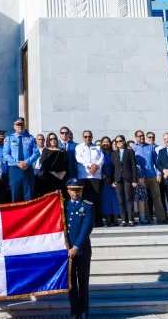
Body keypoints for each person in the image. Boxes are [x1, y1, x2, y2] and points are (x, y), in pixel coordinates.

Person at [65, 178, 94, 319]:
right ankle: (74, 311)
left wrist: (76, 247)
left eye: (77, 190)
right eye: (72, 190)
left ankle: (83, 311)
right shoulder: (63, 205)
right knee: (71, 284)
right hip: (67, 252)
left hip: (81, 250)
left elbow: (86, 229)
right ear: (68, 191)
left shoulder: (88, 206)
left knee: (83, 283)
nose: (75, 193)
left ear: (81, 191)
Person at [3, 119, 39, 202]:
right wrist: (16, 163)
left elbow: (36, 153)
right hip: (14, 169)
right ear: (14, 126)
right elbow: (5, 154)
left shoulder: (30, 138)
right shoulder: (9, 138)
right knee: (15, 193)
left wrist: (27, 162)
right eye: (18, 124)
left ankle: (29, 214)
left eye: (21, 124)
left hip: (27, 169)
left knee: (28, 193)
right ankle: (16, 214)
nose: (20, 126)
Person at [133, 131, 165, 224]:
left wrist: (159, 173)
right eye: (139, 136)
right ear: (136, 137)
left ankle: (161, 218)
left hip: (152, 176)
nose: (141, 137)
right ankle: (147, 218)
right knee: (144, 199)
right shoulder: (133, 148)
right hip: (141, 178)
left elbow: (157, 162)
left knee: (157, 197)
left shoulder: (150, 147)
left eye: (142, 135)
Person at [75, 130, 104, 227]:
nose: (88, 138)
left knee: (96, 199)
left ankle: (98, 221)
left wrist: (96, 166)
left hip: (96, 176)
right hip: (84, 176)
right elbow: (79, 158)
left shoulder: (97, 147)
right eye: (86, 136)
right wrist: (91, 165)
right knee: (85, 200)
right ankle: (86, 222)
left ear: (92, 137)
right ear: (83, 137)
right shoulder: (79, 147)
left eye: (89, 136)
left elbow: (102, 159)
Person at [111, 135, 138, 227]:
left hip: (128, 178)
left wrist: (135, 180)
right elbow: (113, 168)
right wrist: (113, 180)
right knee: (120, 200)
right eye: (116, 141)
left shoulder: (130, 152)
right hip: (118, 179)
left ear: (124, 141)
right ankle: (123, 220)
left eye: (120, 141)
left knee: (129, 198)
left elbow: (134, 166)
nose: (118, 143)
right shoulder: (114, 153)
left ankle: (130, 219)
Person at [99, 137, 118, 226]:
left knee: (115, 198)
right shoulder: (99, 153)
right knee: (105, 198)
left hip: (114, 177)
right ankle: (107, 218)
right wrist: (103, 176)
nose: (106, 143)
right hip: (103, 178)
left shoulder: (114, 153)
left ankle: (115, 217)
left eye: (107, 142)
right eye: (104, 142)